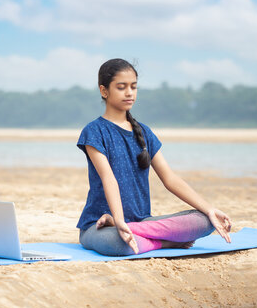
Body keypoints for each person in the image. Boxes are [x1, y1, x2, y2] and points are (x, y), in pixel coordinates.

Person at [76, 58, 232, 256]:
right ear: (104, 91)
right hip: (98, 227)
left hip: (141, 222)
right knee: (121, 244)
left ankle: (133, 231)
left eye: (133, 86)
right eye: (121, 87)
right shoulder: (94, 131)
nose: (129, 92)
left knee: (207, 221)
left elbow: (170, 179)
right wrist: (119, 219)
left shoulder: (145, 132)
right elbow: (109, 178)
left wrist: (209, 209)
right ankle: (162, 242)